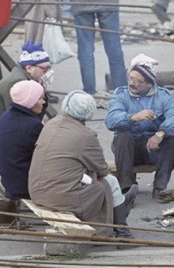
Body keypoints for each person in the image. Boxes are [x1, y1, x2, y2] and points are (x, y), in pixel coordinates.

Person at [29, 91, 137, 238]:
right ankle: (122, 229)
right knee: (108, 182)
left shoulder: (51, 124)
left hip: (36, 190)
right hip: (59, 197)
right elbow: (103, 170)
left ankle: (122, 207)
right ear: (89, 113)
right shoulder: (86, 135)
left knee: (98, 180)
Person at [105, 53, 174, 203]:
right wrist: (132, 117)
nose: (132, 83)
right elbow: (111, 120)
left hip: (152, 149)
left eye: (138, 81)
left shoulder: (163, 96)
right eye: (130, 78)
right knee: (122, 136)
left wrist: (160, 133)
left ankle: (160, 188)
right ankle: (126, 190)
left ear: (149, 84)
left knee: (172, 139)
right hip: (129, 151)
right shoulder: (121, 94)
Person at [0, 42, 54, 155]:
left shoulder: (23, 78)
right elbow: (21, 121)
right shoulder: (18, 83)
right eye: (45, 69)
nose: (48, 72)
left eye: (49, 67)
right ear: (29, 68)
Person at [0, 80, 46, 200]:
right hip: (23, 185)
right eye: (40, 99)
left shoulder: (6, 115)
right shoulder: (33, 125)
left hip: (9, 179)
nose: (43, 102)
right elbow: (43, 157)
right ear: (31, 101)